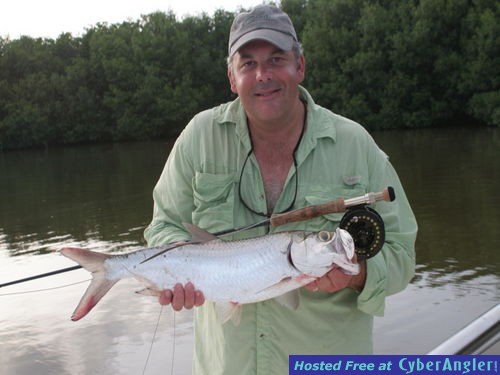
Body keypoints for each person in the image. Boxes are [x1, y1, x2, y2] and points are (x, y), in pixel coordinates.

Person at [144, 4, 417, 374]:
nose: (263, 75)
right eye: (248, 64)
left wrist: (359, 274)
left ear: (299, 66)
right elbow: (164, 227)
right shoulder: (199, 138)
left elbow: (402, 254)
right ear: (232, 77)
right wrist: (175, 267)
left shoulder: (356, 144)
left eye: (276, 59)